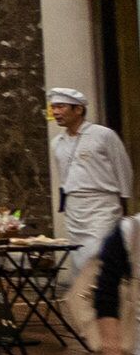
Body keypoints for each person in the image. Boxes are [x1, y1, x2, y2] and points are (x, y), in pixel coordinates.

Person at [49, 88, 131, 248]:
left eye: (61, 107)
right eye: (53, 107)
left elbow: (123, 169)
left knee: (99, 254)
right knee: (78, 256)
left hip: (102, 205)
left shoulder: (103, 135)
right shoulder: (57, 142)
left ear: (78, 109)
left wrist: (124, 200)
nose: (56, 112)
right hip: (74, 208)